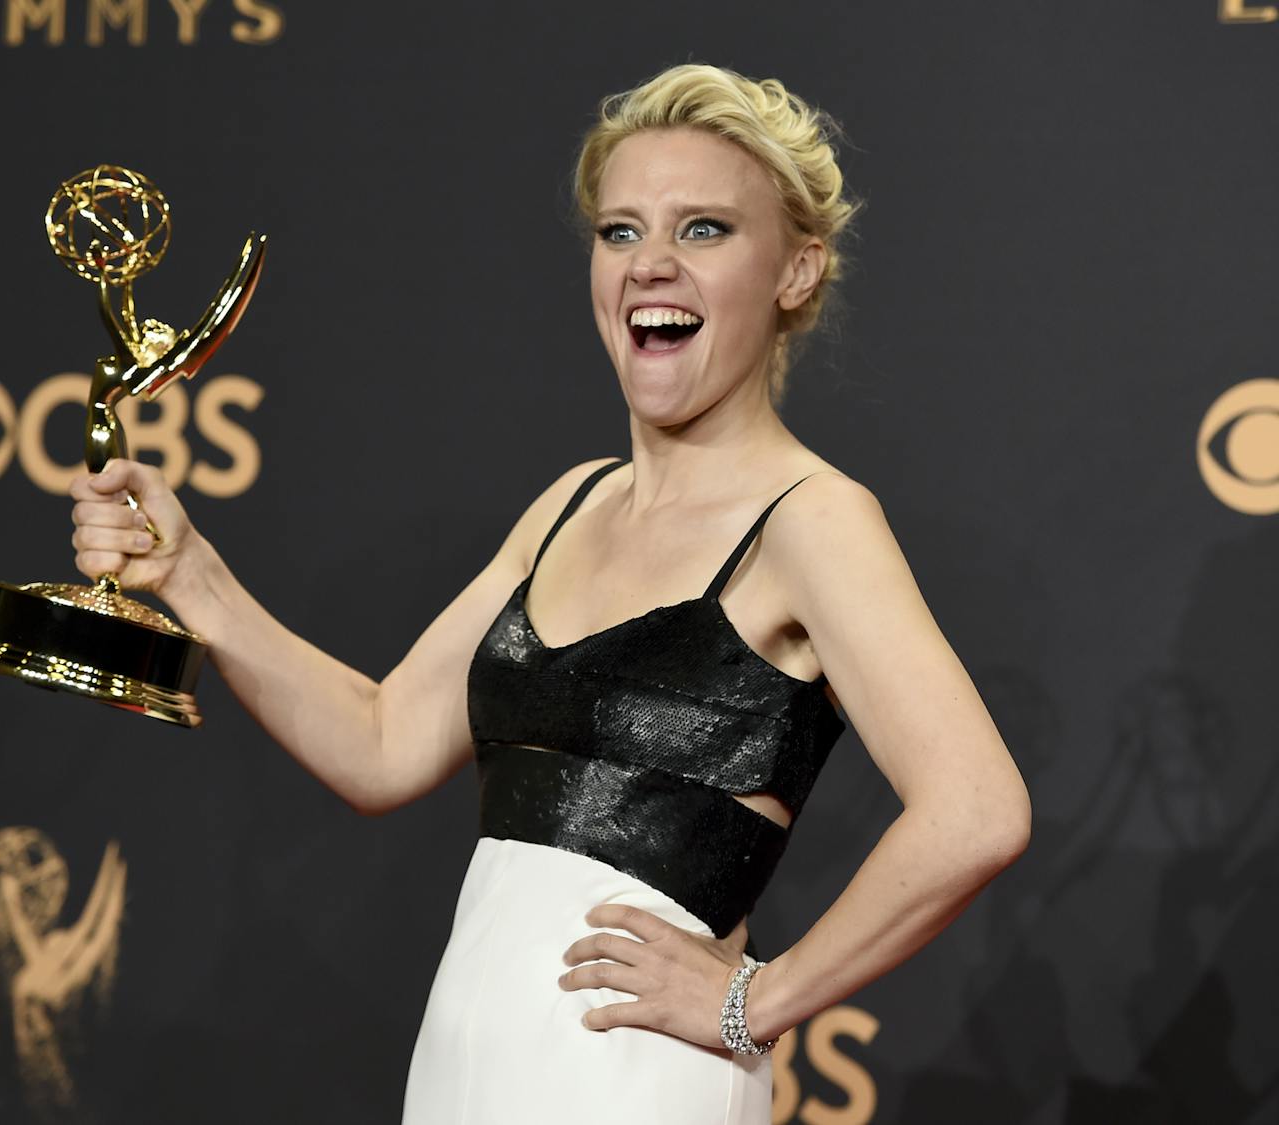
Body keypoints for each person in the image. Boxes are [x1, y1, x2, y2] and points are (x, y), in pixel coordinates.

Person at [69, 63, 1031, 1125]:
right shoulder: (569, 504)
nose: (649, 265)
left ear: (796, 270)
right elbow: (384, 744)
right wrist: (190, 573)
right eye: (619, 231)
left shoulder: (810, 521)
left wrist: (755, 1002)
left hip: (635, 1081)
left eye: (702, 229)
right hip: (466, 1065)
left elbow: (975, 811)